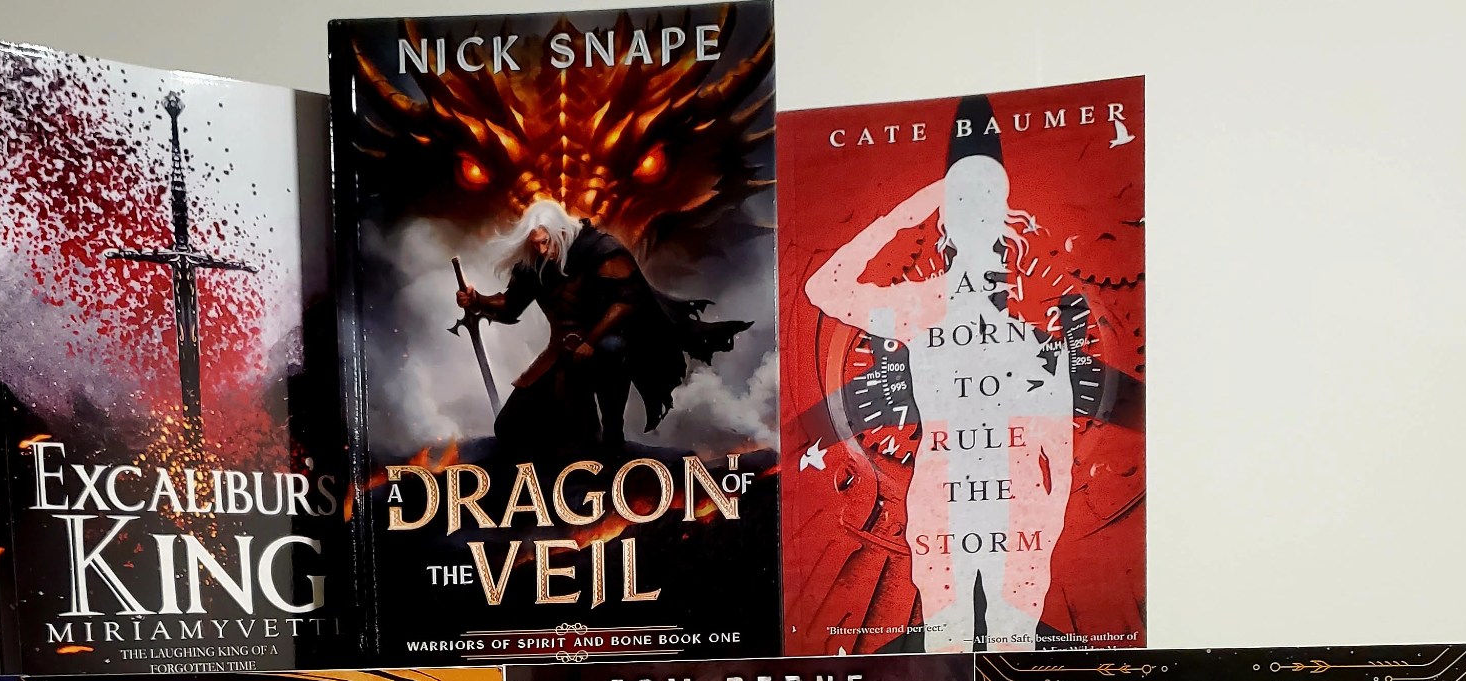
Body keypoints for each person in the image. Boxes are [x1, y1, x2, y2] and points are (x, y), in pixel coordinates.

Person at [803, 98, 1078, 652]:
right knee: (946, 657)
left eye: (988, 209)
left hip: (1018, 512)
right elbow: (824, 287)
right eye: (962, 206)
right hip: (942, 509)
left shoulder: (1034, 338)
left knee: (1013, 658)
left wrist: (1044, 533)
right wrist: (916, 206)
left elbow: (1059, 455)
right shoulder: (919, 309)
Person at [455, 199, 749, 462]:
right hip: (561, 353)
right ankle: (574, 446)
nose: (542, 250)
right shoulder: (535, 264)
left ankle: (613, 438)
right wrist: (477, 299)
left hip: (604, 348)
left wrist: (592, 340)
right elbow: (510, 306)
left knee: (611, 350)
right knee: (509, 427)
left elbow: (627, 301)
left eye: (546, 242)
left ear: (561, 233)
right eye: (536, 244)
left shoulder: (600, 250)